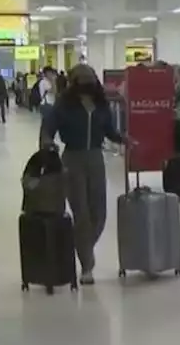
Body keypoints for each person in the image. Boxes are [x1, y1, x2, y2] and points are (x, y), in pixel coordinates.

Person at [40, 64, 127, 285]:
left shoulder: (101, 104)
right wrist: (48, 143)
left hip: (96, 158)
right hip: (72, 159)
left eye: (89, 79)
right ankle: (87, 266)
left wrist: (124, 139)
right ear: (73, 82)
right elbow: (48, 129)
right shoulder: (63, 105)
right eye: (81, 80)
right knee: (82, 214)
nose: (86, 84)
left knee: (99, 213)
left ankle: (81, 245)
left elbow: (109, 130)